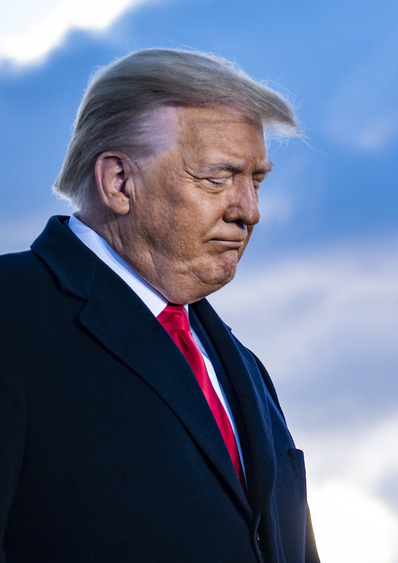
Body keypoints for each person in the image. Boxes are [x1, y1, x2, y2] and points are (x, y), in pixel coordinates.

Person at [0, 48, 320, 562]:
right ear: (118, 182)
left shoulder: (244, 368)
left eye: (256, 180)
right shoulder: (12, 314)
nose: (250, 211)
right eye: (218, 178)